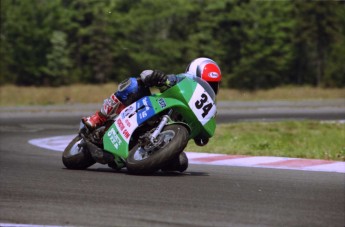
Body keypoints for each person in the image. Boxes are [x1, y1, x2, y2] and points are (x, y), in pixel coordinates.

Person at [82, 57, 221, 170]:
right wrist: (157, 77)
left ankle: (144, 152)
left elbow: (202, 140)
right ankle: (99, 117)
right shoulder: (181, 80)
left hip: (166, 137)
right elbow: (154, 77)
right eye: (208, 82)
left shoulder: (209, 107)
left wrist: (202, 133)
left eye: (213, 85)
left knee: (181, 163)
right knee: (133, 84)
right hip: (152, 109)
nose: (209, 87)